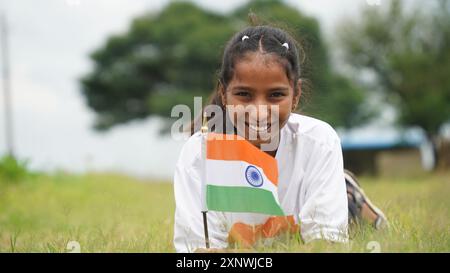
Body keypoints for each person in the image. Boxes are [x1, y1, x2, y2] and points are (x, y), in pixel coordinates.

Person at [173, 25, 387, 253]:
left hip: (309, 203)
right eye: (244, 95)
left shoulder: (319, 142)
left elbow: (326, 246)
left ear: (295, 95)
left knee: (345, 221)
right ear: (224, 94)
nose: (259, 111)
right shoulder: (199, 156)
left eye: (276, 95)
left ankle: (349, 198)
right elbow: (197, 253)